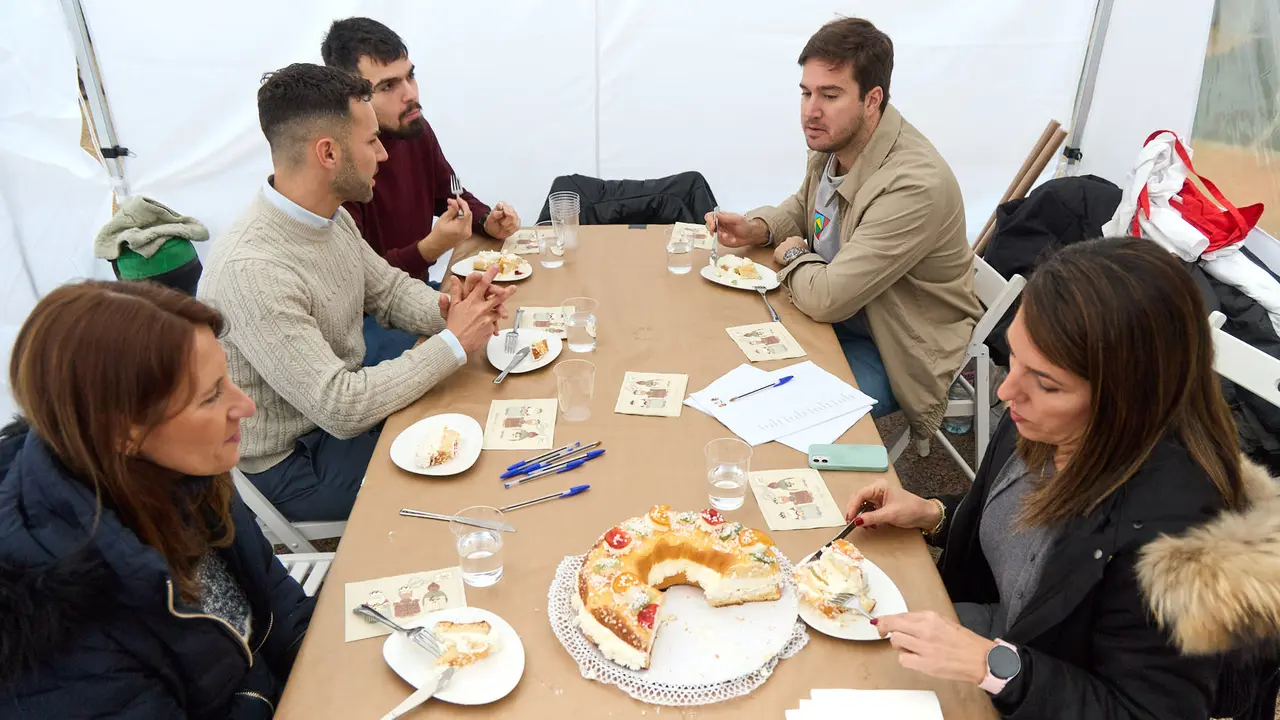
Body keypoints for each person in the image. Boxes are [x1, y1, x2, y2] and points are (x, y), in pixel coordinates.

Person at [844, 237, 1280, 718]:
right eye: (1014, 358)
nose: (1008, 391)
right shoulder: (1046, 423)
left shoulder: (1176, 541)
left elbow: (1145, 712)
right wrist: (934, 513)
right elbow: (1025, 528)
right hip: (995, 643)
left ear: (1125, 396)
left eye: (1046, 382)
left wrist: (995, 665)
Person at [198, 63, 513, 522]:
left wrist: (454, 308)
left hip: (336, 427)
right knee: (471, 469)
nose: (383, 154)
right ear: (327, 153)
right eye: (371, 141)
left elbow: (387, 292)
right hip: (297, 462)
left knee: (477, 409)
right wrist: (452, 342)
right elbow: (340, 406)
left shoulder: (330, 215)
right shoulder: (251, 271)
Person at [0, 281, 313, 718]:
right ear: (122, 432)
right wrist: (268, 689)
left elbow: (275, 600)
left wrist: (330, 654)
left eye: (227, 380)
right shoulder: (58, 634)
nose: (246, 406)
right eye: (211, 396)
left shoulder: (182, 470)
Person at [708, 18, 981, 444]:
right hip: (843, 320)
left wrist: (794, 254)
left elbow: (828, 298)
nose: (810, 110)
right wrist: (757, 228)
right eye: (806, 92)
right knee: (720, 358)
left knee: (773, 414)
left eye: (830, 95)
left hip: (895, 349)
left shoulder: (913, 184)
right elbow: (806, 206)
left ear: (872, 100)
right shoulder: (837, 141)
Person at [320, 17, 520, 275]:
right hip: (367, 312)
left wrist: (486, 220)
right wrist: (429, 249)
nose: (411, 94)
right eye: (389, 85)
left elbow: (450, 194)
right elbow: (357, 281)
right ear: (351, 95)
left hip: (418, 292)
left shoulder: (414, 129)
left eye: (410, 76)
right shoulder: (336, 162)